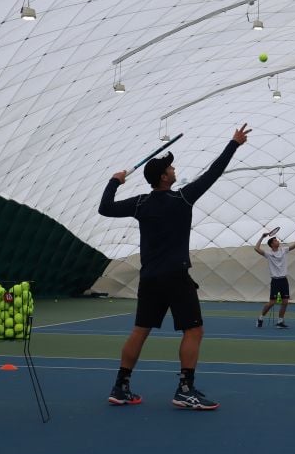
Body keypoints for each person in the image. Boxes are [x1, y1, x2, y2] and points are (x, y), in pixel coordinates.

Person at [99, 123, 251, 410]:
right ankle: (185, 390)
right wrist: (234, 144)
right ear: (163, 177)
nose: (174, 170)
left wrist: (115, 181)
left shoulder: (140, 203)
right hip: (176, 276)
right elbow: (214, 173)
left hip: (150, 278)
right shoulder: (183, 198)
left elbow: (105, 208)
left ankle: (120, 386)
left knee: (140, 330)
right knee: (194, 331)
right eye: (170, 168)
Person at [254, 226, 295, 328]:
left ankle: (280, 322)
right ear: (272, 244)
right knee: (272, 302)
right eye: (276, 240)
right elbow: (256, 248)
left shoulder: (284, 250)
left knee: (285, 302)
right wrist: (262, 237)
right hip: (275, 281)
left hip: (284, 280)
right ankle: (260, 318)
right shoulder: (268, 254)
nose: (278, 241)